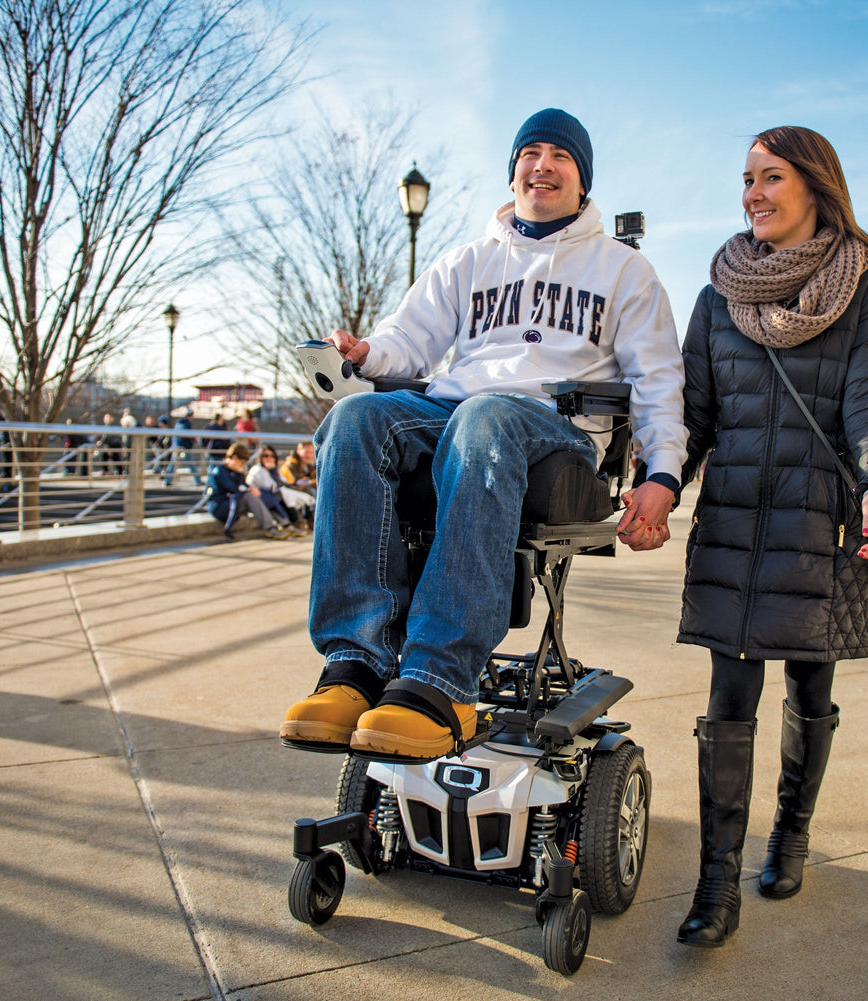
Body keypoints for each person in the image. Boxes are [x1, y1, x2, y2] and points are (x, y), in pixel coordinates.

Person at [280, 108, 685, 761]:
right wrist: (365, 352)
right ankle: (355, 663)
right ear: (514, 170)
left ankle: (440, 677)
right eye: (531, 152)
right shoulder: (469, 261)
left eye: (561, 155)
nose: (542, 164)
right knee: (354, 420)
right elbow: (406, 344)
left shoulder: (622, 270)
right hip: (460, 411)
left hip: (555, 429)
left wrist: (661, 475)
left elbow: (660, 380)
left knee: (486, 415)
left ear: (583, 180)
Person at [673, 126, 868, 948]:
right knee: (727, 701)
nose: (753, 193)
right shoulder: (717, 296)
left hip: (822, 525)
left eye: (771, 176)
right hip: (736, 522)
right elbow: (691, 419)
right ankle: (714, 888)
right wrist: (654, 483)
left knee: (811, 691)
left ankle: (792, 833)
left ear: (815, 184)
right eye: (746, 178)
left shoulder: (864, 294)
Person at [206, 443, 288, 540]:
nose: (242, 466)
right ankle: (270, 528)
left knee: (260, 495)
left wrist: (251, 488)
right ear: (234, 458)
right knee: (250, 496)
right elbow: (234, 488)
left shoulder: (235, 472)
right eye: (242, 463)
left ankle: (285, 524)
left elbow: (244, 487)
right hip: (220, 507)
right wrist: (240, 475)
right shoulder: (219, 471)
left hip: (234, 504)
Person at [245, 445, 304, 536]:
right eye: (266, 456)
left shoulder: (271, 470)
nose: (269, 458)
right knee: (278, 496)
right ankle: (280, 526)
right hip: (259, 498)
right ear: (261, 457)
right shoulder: (258, 470)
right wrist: (273, 470)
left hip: (269, 498)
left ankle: (288, 525)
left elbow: (284, 482)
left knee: (285, 495)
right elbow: (272, 487)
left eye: (272, 456)